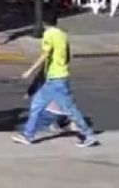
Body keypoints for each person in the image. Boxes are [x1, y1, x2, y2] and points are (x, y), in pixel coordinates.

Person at [12, 12, 98, 147]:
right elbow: (67, 55)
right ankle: (27, 135)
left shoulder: (48, 34)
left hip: (56, 79)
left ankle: (88, 135)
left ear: (44, 23)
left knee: (69, 109)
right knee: (36, 105)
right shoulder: (62, 34)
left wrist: (30, 70)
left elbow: (45, 54)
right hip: (54, 78)